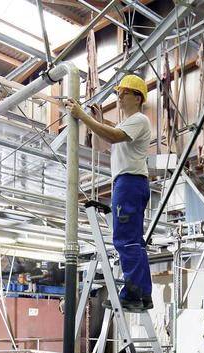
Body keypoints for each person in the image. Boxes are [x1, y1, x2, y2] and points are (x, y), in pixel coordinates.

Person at [66, 75, 153, 312]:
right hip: (129, 183)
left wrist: (82, 116)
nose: (119, 97)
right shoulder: (127, 125)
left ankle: (133, 294)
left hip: (129, 183)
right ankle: (143, 294)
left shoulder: (139, 120)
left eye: (123, 93)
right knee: (133, 241)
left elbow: (113, 136)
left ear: (137, 97)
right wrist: (97, 121)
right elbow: (100, 144)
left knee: (125, 240)